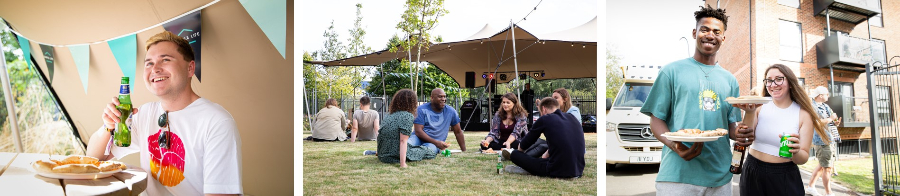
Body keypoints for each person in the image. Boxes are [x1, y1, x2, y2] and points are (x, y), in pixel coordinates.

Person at [86, 31, 242, 195]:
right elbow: (94, 159)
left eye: (165, 60)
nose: (155, 69)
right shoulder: (144, 114)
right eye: (149, 63)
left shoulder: (216, 122)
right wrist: (108, 126)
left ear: (190, 68)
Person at [639, 5, 755, 195]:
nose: (710, 35)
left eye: (716, 32)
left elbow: (731, 127)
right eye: (705, 29)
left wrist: (742, 132)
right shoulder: (671, 71)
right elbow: (656, 120)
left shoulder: (730, 80)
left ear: (723, 39)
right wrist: (674, 146)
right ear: (695, 33)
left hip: (720, 178)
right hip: (677, 176)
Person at [736, 64, 830, 196]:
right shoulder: (760, 104)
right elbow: (746, 139)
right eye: (769, 80)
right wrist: (749, 112)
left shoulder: (803, 114)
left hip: (784, 176)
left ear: (790, 83)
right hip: (752, 171)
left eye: (779, 79)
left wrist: (796, 151)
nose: (773, 84)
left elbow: (803, 158)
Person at [504, 97, 584, 178]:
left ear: (543, 109)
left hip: (557, 170)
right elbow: (563, 140)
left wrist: (520, 154)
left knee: (515, 154)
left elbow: (525, 144)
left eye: (540, 112)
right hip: (578, 169)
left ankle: (527, 169)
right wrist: (546, 154)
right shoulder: (572, 118)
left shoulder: (545, 118)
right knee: (542, 160)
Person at [376, 89, 436, 167]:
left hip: (383, 156)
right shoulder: (407, 116)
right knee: (429, 151)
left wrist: (379, 152)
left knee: (414, 146)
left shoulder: (389, 115)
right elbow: (403, 141)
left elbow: (380, 135)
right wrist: (402, 164)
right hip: (394, 155)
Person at [807, 86, 840, 196]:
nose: (828, 96)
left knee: (822, 165)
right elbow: (818, 122)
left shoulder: (826, 106)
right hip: (822, 140)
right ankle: (828, 193)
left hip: (830, 137)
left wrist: (835, 122)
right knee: (827, 168)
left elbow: (831, 120)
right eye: (826, 94)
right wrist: (830, 119)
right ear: (820, 95)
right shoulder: (812, 107)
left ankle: (810, 187)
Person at [411, 88, 467, 154]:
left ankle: (411, 153)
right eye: (440, 97)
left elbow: (458, 132)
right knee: (407, 144)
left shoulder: (451, 112)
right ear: (432, 98)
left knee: (427, 150)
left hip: (433, 145)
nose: (443, 99)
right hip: (418, 138)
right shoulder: (421, 109)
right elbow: (418, 131)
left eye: (444, 96)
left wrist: (464, 151)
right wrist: (437, 143)